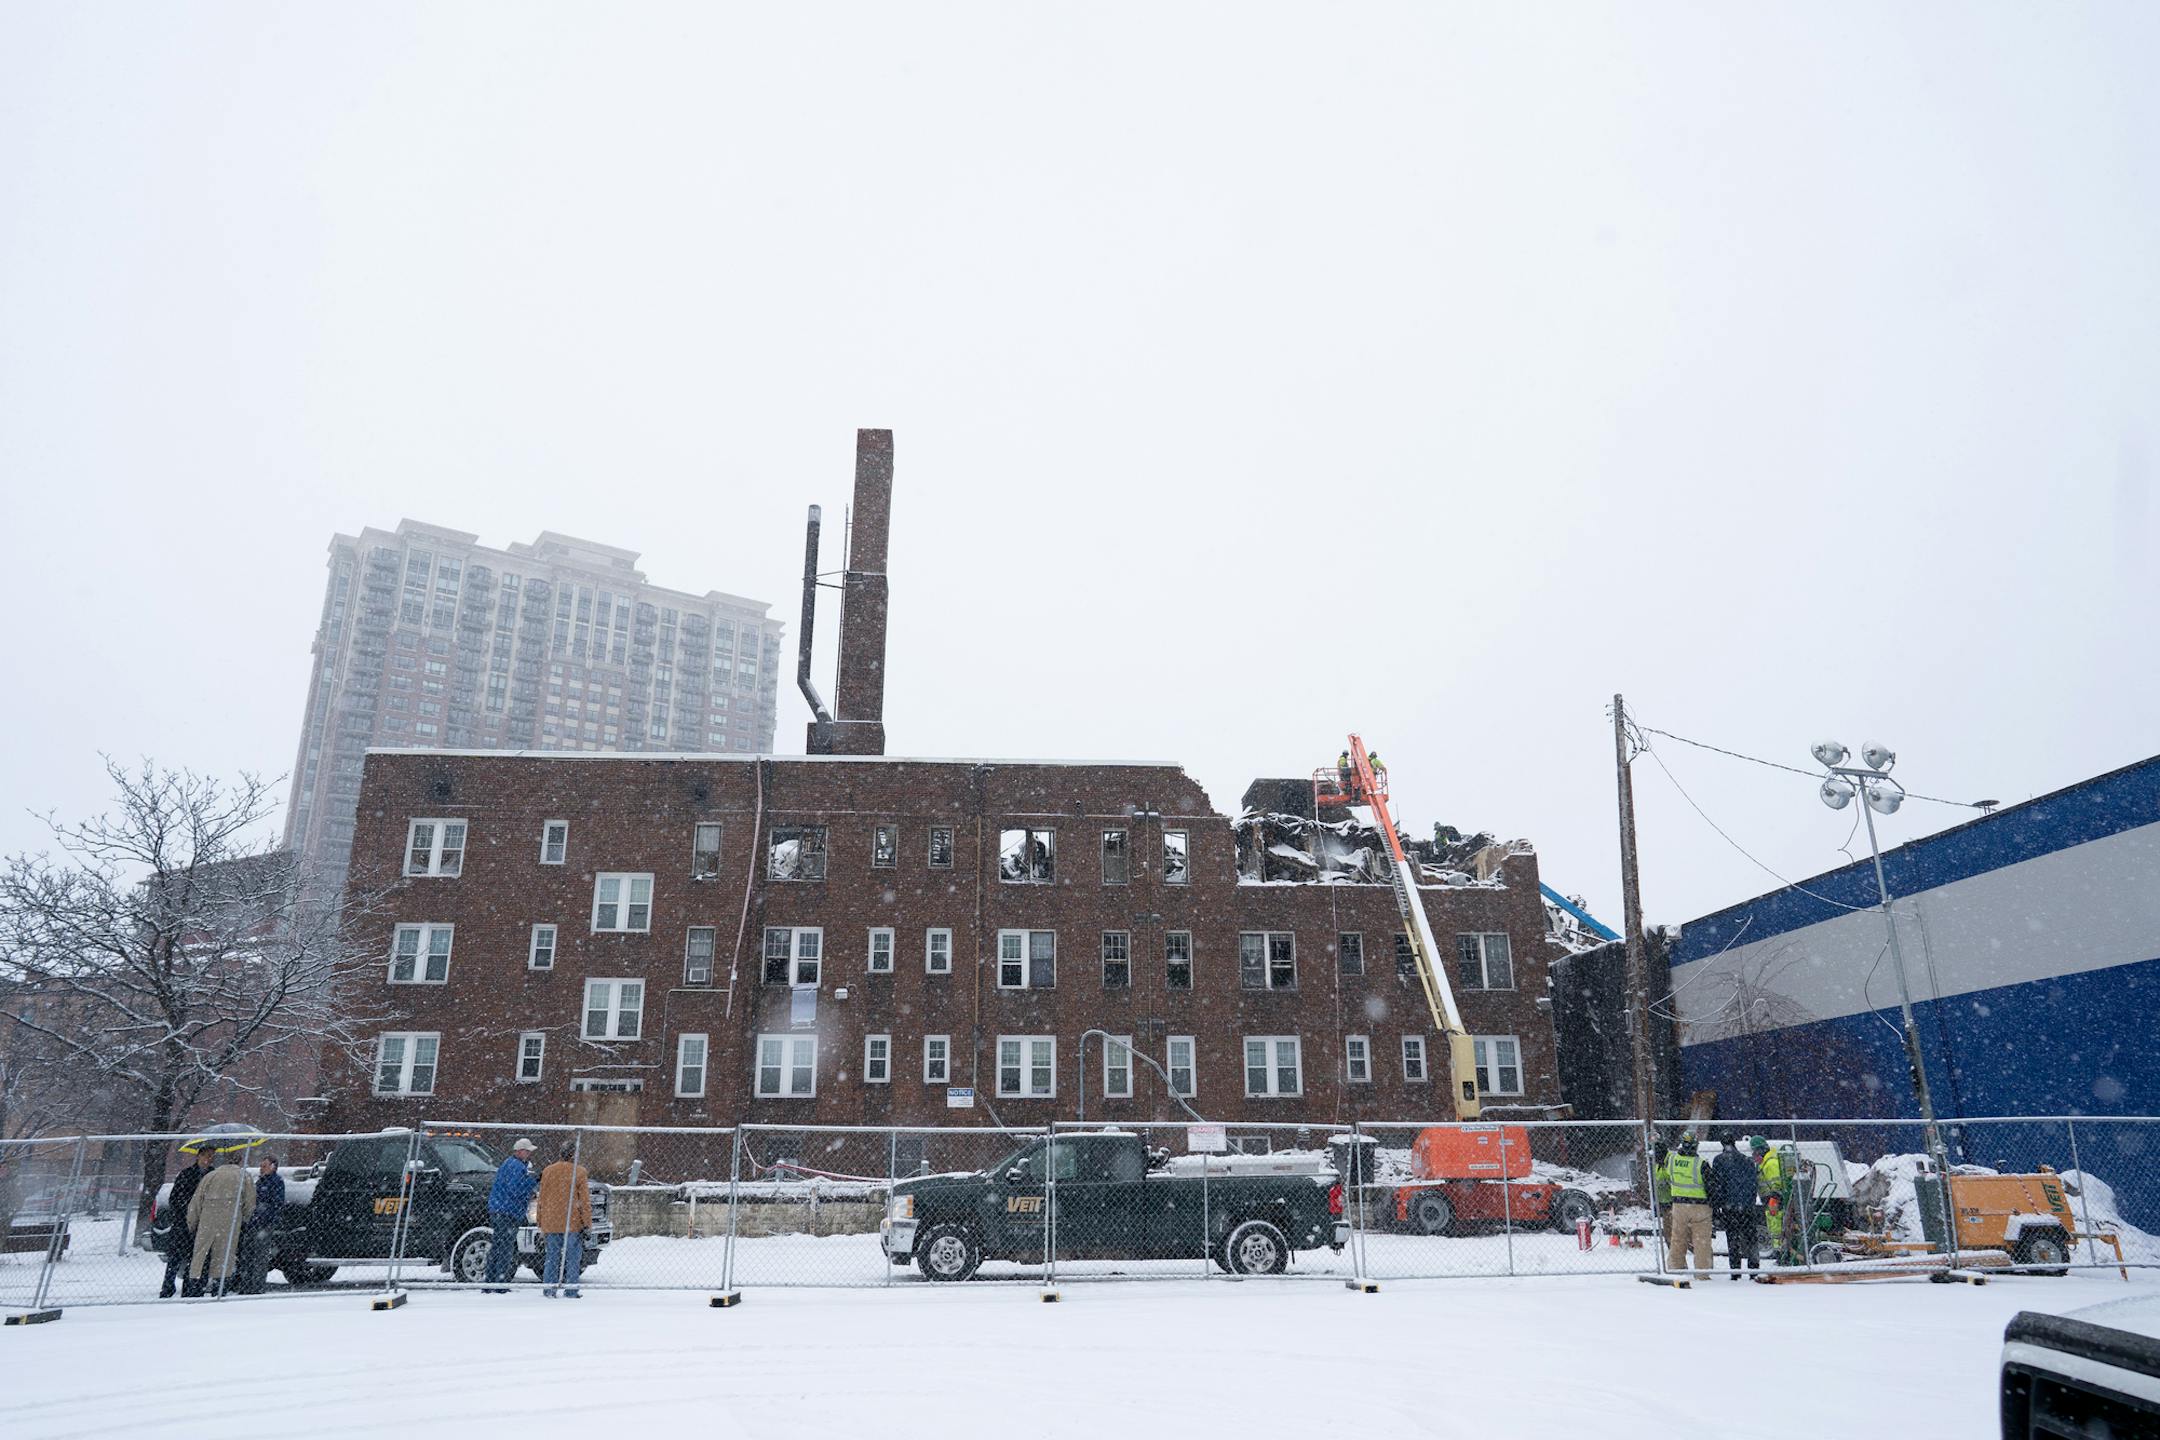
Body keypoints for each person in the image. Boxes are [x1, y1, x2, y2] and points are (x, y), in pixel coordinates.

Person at [185, 1151, 256, 1298]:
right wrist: (244, 1219)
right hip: (230, 1222)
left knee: (201, 1255)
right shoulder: (244, 1177)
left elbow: (196, 1203)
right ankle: (219, 1289)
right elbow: (250, 1203)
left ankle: (196, 1286)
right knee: (224, 1256)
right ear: (240, 1160)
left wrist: (192, 1223)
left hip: (207, 1221)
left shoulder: (210, 1176)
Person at [535, 1140, 592, 1298]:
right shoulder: (579, 1172)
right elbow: (584, 1200)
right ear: (574, 1155)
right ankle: (571, 1289)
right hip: (572, 1221)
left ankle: (549, 1289)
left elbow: (542, 1197)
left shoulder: (548, 1170)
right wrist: (587, 1223)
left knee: (552, 1257)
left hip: (551, 1220)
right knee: (573, 1258)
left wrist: (540, 1220)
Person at [485, 1138, 540, 1291]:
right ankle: (500, 1283)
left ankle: (489, 1281)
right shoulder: (517, 1167)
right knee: (506, 1248)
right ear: (520, 1151)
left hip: (498, 1209)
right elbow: (517, 1189)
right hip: (508, 1211)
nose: (529, 1154)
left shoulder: (508, 1164)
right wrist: (533, 1183)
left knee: (497, 1246)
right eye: (527, 1151)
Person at [158, 1147, 214, 1299]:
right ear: (198, 1157)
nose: (208, 1159)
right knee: (175, 1258)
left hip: (202, 1224)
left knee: (194, 1258)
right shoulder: (186, 1174)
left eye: (211, 1156)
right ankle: (168, 1287)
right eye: (205, 1156)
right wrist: (184, 1214)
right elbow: (175, 1198)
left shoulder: (213, 1175)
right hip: (183, 1223)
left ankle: (190, 1288)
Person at [1707, 1135, 1764, 1279]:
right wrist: (1749, 1202)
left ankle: (1735, 1270)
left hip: (1730, 1207)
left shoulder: (1719, 1160)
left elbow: (1717, 1185)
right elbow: (1753, 1184)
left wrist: (1717, 1206)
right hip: (1746, 1206)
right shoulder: (1747, 1160)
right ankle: (1753, 1269)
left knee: (1733, 1238)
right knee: (1751, 1238)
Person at [1663, 1134, 1713, 1280]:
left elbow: (1668, 1175)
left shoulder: (1672, 1160)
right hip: (1700, 1206)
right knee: (1701, 1241)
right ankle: (1702, 1273)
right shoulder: (1701, 1163)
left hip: (1679, 1205)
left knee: (1678, 1238)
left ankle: (1675, 1268)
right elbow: (1711, 1186)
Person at [239, 1156, 285, 1291]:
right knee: (248, 1254)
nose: (261, 1168)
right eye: (261, 1166)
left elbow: (277, 1204)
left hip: (264, 1224)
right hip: (253, 1223)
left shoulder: (276, 1182)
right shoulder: (259, 1182)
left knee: (260, 1256)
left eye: (264, 1166)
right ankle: (246, 1284)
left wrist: (268, 1221)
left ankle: (257, 1286)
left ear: (273, 1167)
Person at [1651, 1140, 1672, 1249]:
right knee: (1667, 1230)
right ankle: (1671, 1248)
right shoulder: (1657, 1164)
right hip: (1664, 1202)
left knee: (1674, 1229)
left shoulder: (1670, 1161)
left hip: (1673, 1202)